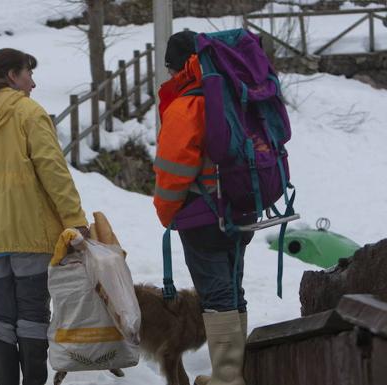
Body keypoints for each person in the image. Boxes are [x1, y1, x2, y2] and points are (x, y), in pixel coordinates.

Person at [0, 48, 89, 385]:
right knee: (33, 314)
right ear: (11, 75)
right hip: (31, 235)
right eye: (28, 74)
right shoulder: (28, 113)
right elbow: (53, 170)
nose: (33, 83)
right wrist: (73, 218)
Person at [153, 31, 254, 385]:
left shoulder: (188, 104)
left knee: (216, 296)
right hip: (243, 208)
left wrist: (168, 213)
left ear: (178, 67)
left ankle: (228, 379)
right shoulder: (233, 93)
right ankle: (235, 373)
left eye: (169, 69)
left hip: (204, 215)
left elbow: (173, 171)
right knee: (232, 289)